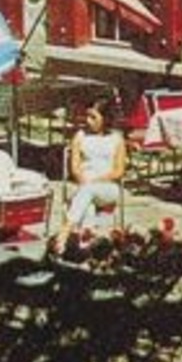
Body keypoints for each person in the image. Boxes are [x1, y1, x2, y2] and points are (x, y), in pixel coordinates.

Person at [56, 98, 127, 251]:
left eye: (93, 117)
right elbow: (75, 168)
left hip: (108, 189)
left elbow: (119, 171)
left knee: (88, 191)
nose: (88, 121)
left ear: (106, 118)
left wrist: (96, 180)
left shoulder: (117, 139)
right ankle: (86, 243)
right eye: (87, 116)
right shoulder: (80, 136)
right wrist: (84, 181)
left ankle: (64, 232)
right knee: (87, 201)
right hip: (84, 185)